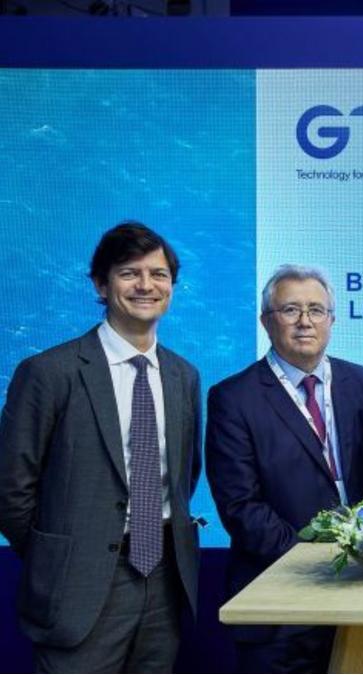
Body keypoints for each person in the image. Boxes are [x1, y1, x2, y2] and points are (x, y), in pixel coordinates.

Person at [0, 222, 202, 673]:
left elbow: (184, 476)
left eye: (159, 274)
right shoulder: (48, 372)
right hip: (78, 585)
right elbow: (11, 488)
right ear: (100, 283)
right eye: (130, 273)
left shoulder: (183, 376)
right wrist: (59, 556)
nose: (146, 285)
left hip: (164, 579)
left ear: (171, 286)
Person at [206, 264, 363, 672]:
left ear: (332, 320)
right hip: (279, 602)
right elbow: (241, 507)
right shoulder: (233, 398)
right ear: (266, 321)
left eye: (316, 310)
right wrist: (317, 563)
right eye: (290, 310)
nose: (305, 321)